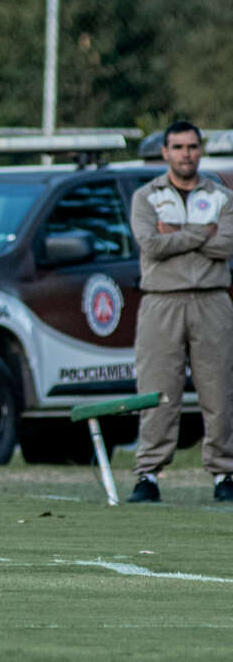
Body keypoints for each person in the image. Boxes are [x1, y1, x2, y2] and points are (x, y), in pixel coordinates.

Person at [128, 120, 233, 503]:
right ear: (165, 152)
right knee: (158, 390)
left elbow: (226, 245)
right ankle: (148, 474)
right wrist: (201, 233)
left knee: (219, 389)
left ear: (200, 150)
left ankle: (224, 473)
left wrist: (175, 232)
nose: (186, 154)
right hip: (162, 299)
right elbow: (151, 245)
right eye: (178, 147)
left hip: (212, 299)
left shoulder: (222, 196)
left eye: (192, 146)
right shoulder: (147, 196)